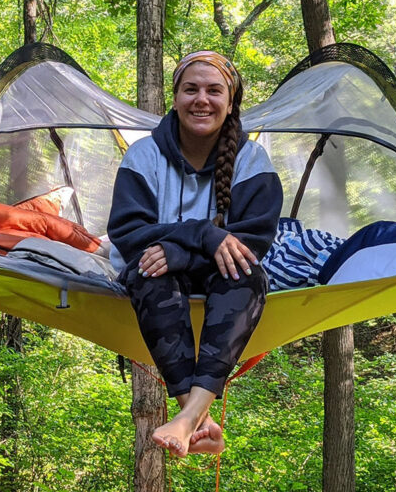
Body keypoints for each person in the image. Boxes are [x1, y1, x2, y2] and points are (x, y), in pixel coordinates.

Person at [107, 50, 283, 457]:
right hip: (158, 273)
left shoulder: (251, 160)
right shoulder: (143, 156)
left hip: (216, 272)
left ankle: (188, 420)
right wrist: (202, 234)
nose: (201, 99)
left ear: (231, 101)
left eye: (213, 90)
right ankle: (198, 419)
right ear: (174, 98)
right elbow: (129, 234)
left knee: (247, 273)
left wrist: (183, 251)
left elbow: (252, 241)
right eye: (191, 89)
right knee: (151, 273)